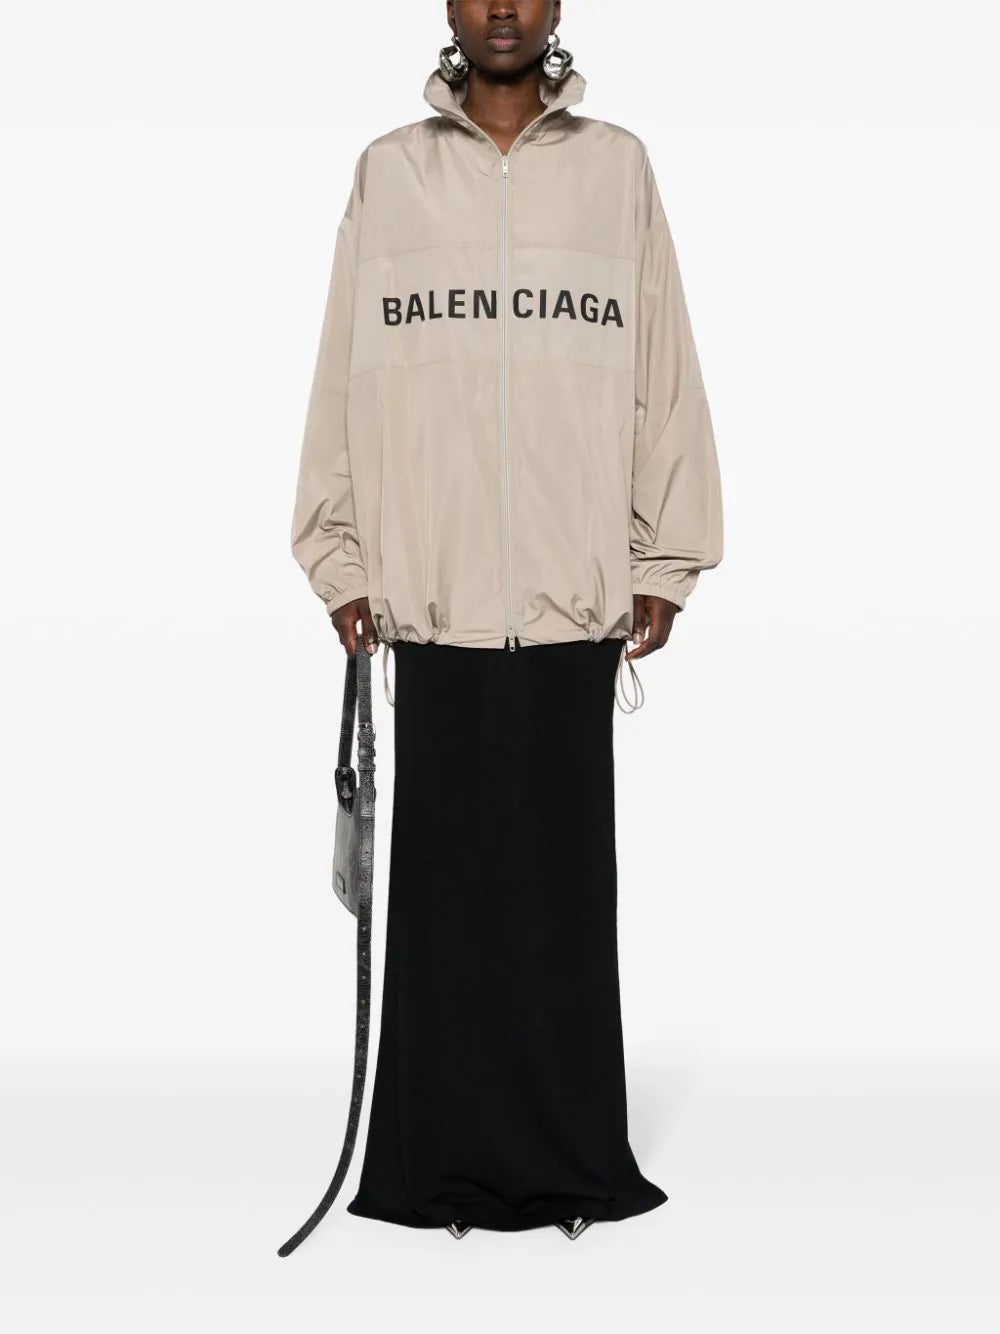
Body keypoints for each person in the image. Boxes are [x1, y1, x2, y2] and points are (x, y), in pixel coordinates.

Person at [290, 0, 723, 1241]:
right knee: (448, 909)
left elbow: (664, 372)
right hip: (431, 609)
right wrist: (339, 552)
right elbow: (343, 373)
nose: (501, 9)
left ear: (555, 6)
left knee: (559, 907)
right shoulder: (388, 175)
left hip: (571, 603)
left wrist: (666, 551)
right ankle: (436, 1170)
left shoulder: (616, 171)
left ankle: (572, 1166)